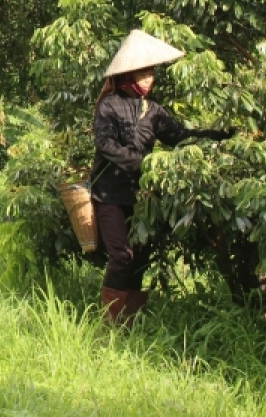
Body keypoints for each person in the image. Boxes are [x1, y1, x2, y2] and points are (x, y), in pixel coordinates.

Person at [91, 29, 234, 325]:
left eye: (151, 75)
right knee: (122, 255)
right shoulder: (108, 105)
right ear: (129, 76)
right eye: (144, 75)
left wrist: (217, 136)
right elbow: (105, 145)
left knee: (141, 256)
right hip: (109, 194)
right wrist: (144, 164)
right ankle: (109, 322)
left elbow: (180, 137)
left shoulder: (153, 111)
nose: (149, 80)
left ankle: (130, 321)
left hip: (141, 196)